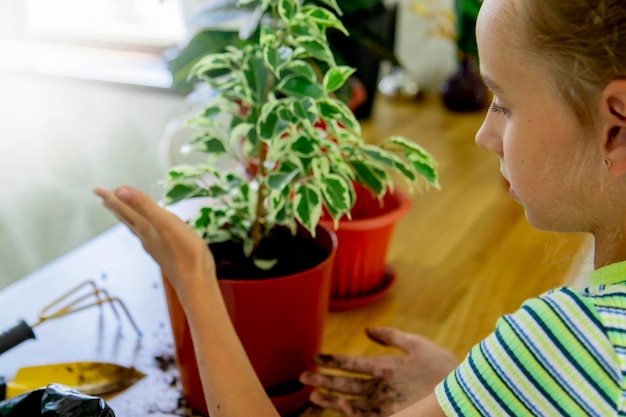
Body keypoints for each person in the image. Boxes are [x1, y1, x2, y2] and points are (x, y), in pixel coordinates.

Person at [94, 0, 626, 414]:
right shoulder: (568, 356)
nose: (487, 134)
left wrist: (193, 278)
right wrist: (473, 388)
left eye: (505, 104)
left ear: (616, 127)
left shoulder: (574, 344)